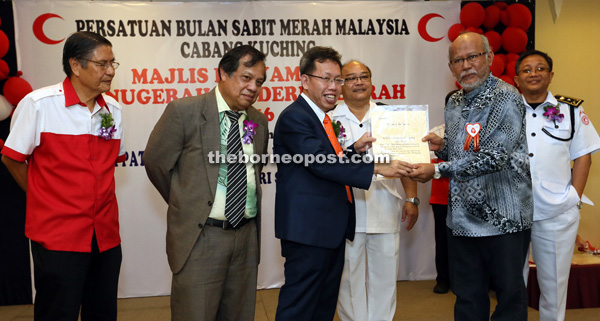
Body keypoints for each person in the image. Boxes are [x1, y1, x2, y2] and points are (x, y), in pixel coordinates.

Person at [273, 46, 408, 321]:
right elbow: (320, 162)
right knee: (299, 307)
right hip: (308, 232)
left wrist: (351, 151)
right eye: (326, 78)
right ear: (305, 80)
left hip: (328, 230)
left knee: (322, 306)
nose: (333, 87)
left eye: (337, 79)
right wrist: (378, 167)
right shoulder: (295, 117)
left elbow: (324, 161)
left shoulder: (321, 117)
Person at [407, 32, 533, 320]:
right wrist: (443, 148)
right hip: (463, 218)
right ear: (451, 67)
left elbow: (495, 157)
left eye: (472, 57)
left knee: (509, 296)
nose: (466, 66)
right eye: (458, 60)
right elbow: (466, 150)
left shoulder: (506, 97)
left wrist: (437, 169)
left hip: (504, 218)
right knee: (467, 296)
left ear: (489, 58)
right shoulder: (454, 102)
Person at [1, 31, 125, 321]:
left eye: (113, 64)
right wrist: (43, 199)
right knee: (58, 312)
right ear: (75, 65)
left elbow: (109, 167)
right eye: (102, 64)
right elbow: (12, 159)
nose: (110, 71)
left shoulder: (115, 110)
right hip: (58, 237)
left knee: (103, 311)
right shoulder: (38, 104)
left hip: (105, 236)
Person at [143, 45, 268, 321]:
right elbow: (155, 163)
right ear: (223, 73)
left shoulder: (258, 120)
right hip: (202, 238)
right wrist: (186, 202)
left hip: (245, 238)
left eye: (259, 81)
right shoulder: (185, 111)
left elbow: (253, 171)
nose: (253, 87)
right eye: (246, 77)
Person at [514, 50, 600, 321]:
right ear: (517, 79)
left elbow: (583, 154)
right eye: (526, 70)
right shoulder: (507, 110)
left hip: (556, 211)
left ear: (551, 75)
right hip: (511, 211)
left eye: (540, 68)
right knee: (512, 285)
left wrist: (573, 195)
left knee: (553, 287)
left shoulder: (569, 110)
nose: (533, 74)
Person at [331, 60, 419, 321]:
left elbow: (407, 159)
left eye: (364, 76)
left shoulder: (390, 116)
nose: (358, 82)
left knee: (385, 277)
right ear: (340, 85)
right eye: (351, 78)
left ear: (372, 82)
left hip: (384, 205)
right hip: (344, 210)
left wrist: (412, 198)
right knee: (348, 279)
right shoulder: (329, 117)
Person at [428, 90, 457, 295]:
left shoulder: (478, 130)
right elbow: (427, 162)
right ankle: (444, 279)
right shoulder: (436, 132)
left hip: (472, 196)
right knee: (443, 238)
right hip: (442, 195)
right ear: (446, 109)